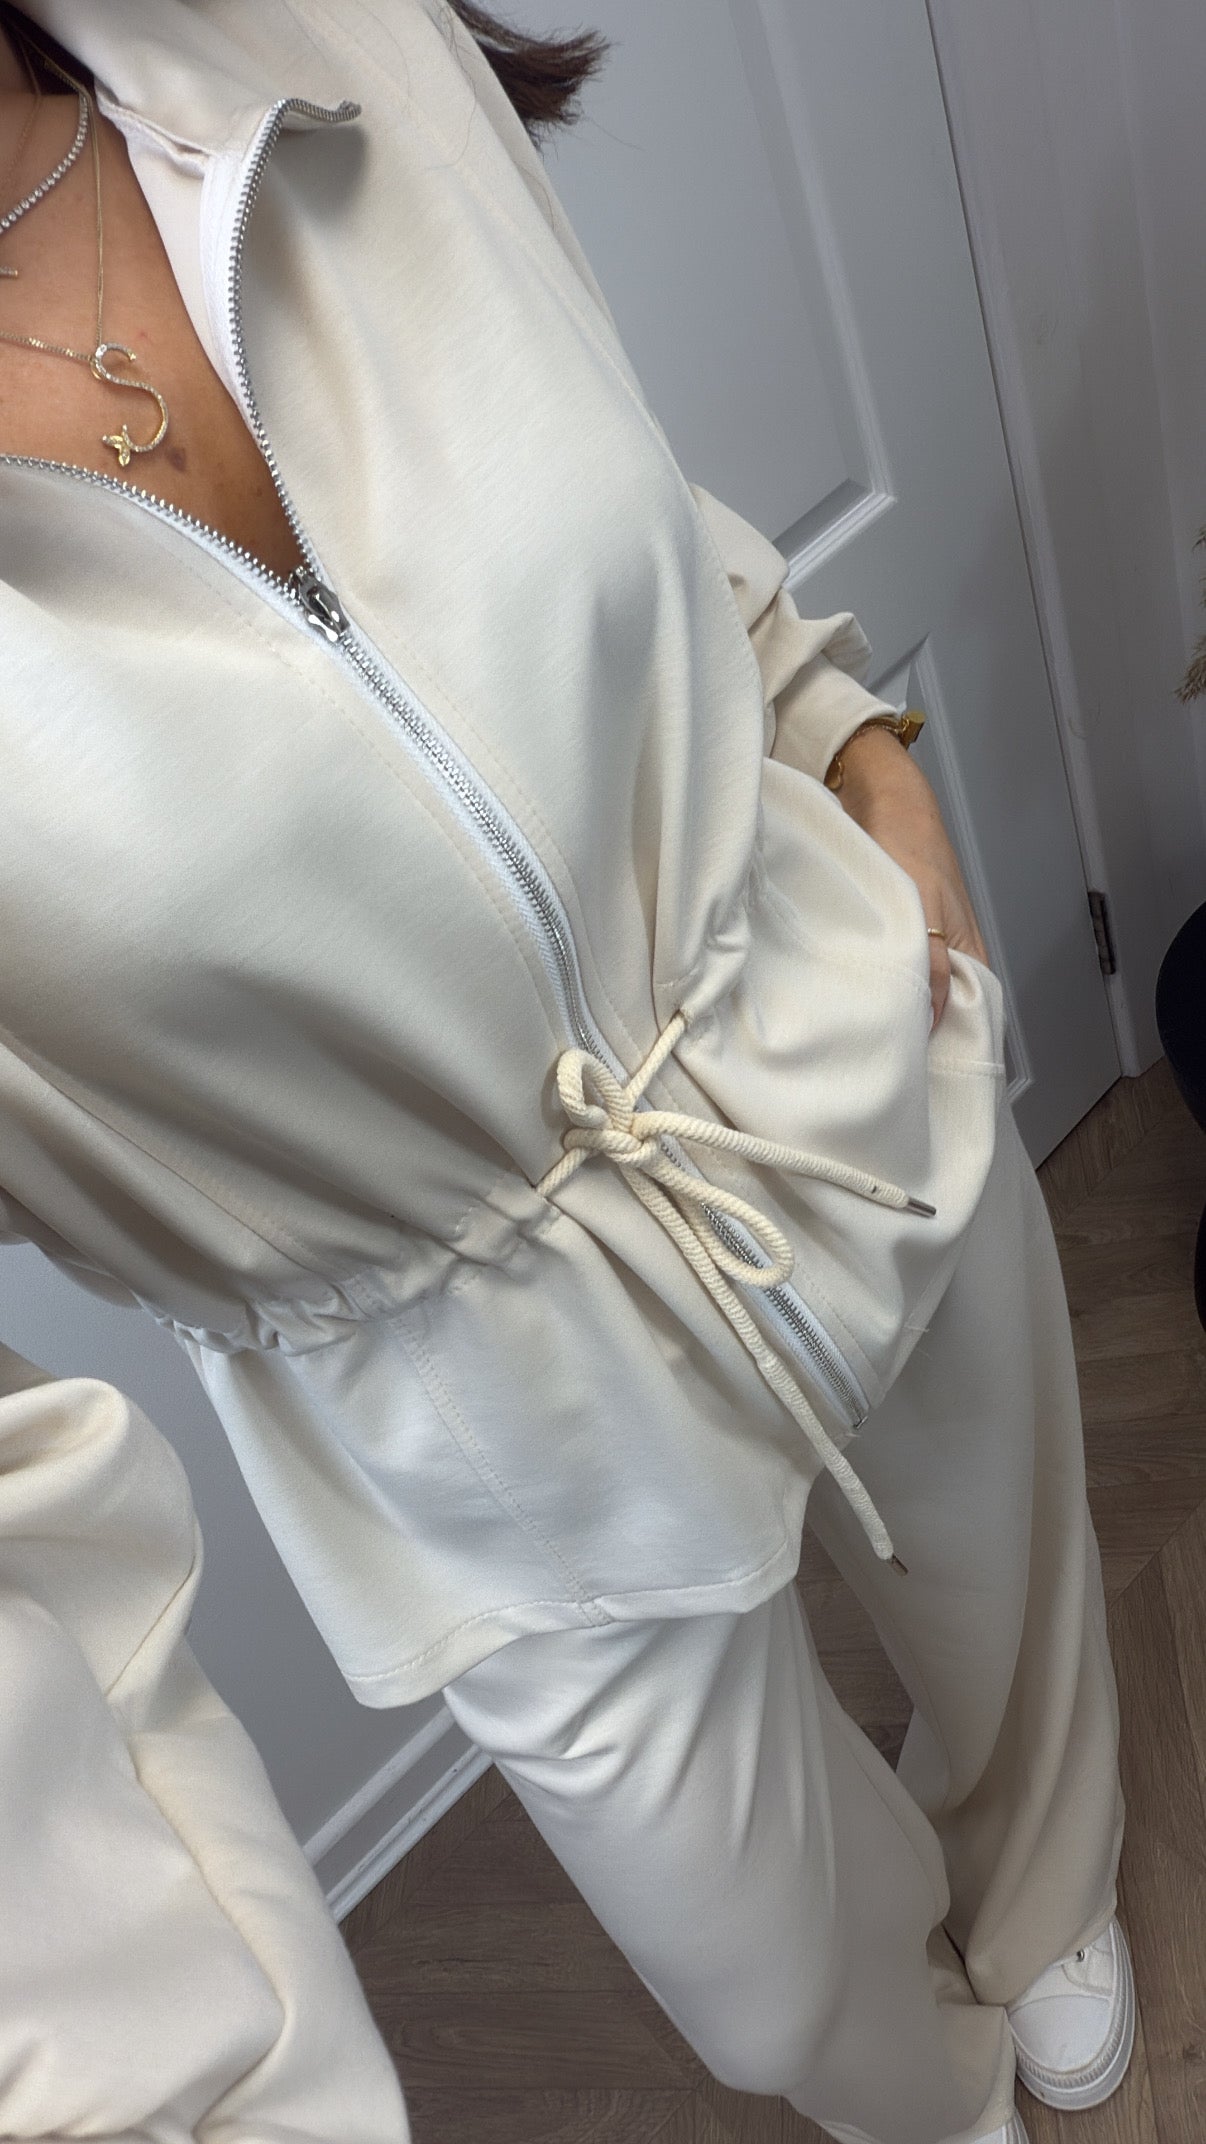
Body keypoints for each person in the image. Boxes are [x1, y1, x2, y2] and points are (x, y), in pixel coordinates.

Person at [0, 3, 1130, 2139]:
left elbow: (598, 474)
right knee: (771, 1992)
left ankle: (1048, 1877)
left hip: (806, 1013)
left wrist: (844, 730)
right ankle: (937, 2092)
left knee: (1014, 1590)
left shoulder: (314, 36)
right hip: (463, 1396)